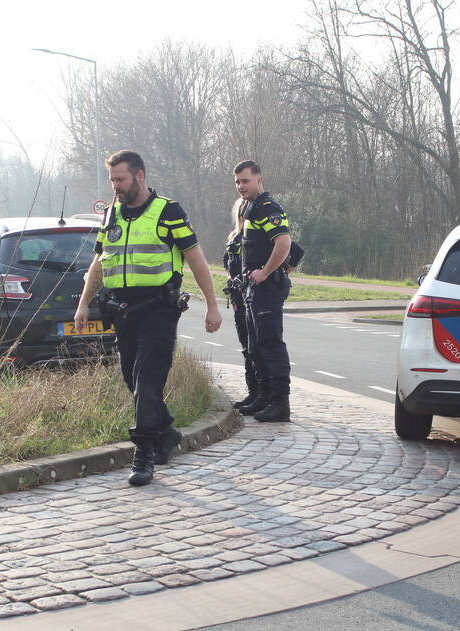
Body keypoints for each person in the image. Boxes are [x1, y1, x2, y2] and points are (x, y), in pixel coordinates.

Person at [75, 150, 222, 486]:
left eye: (121, 179)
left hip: (157, 309)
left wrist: (212, 306)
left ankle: (144, 455)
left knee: (147, 381)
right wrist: (83, 304)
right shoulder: (112, 213)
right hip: (122, 311)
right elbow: (99, 262)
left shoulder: (167, 211)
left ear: (140, 176)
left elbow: (196, 259)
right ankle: (166, 430)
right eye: (113, 180)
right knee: (131, 377)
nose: (116, 187)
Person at [224, 199, 304, 411]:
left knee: (267, 344)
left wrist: (277, 272)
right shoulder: (235, 237)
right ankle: (257, 393)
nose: (243, 215)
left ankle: (272, 398)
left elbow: (293, 249)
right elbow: (232, 267)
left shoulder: (261, 232)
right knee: (249, 348)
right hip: (241, 297)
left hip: (260, 292)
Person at [231, 160, 294, 422]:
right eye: (237, 182)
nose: (240, 186)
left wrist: (265, 271)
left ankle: (280, 404)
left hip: (267, 287)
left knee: (270, 345)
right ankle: (264, 398)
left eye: (245, 181)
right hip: (253, 290)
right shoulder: (250, 208)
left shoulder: (268, 208)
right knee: (256, 345)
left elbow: (284, 242)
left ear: (259, 179)